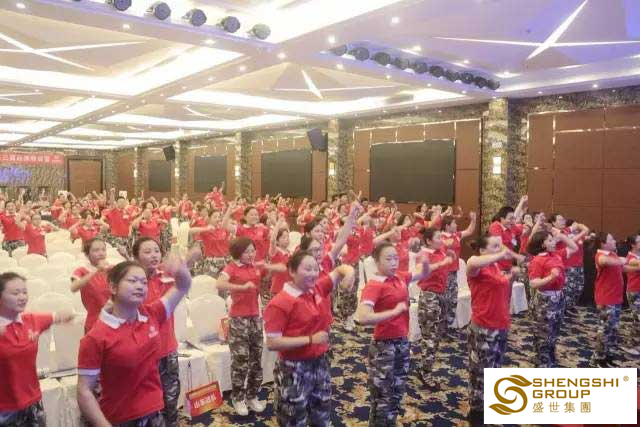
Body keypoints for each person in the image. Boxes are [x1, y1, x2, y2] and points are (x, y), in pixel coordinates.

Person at [76, 257, 192, 426]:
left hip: (154, 412)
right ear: (113, 287)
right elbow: (84, 390)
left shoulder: (151, 314)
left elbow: (182, 286)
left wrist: (180, 270)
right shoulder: (96, 337)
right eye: (132, 281)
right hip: (121, 418)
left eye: (144, 282)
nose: (140, 286)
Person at [264, 250, 355, 427]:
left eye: (315, 269)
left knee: (322, 414)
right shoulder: (280, 303)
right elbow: (272, 343)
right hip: (294, 369)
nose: (313, 273)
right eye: (307, 269)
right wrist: (310, 339)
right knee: (293, 418)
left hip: (319, 363)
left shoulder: (317, 288)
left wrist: (349, 274)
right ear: (292, 271)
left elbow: (340, 270)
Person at [355, 242, 431, 427]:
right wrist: (394, 312)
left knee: (397, 391)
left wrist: (425, 261)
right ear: (376, 261)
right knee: (382, 397)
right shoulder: (374, 285)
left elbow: (423, 274)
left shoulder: (400, 277)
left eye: (396, 258)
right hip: (384, 346)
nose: (394, 262)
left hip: (402, 342)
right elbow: (363, 317)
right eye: (388, 259)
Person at [216, 237, 286, 416]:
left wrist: (267, 266)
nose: (250, 254)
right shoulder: (231, 267)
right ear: (238, 252)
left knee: (256, 358)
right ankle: (238, 398)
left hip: (255, 317)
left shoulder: (255, 266)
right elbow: (219, 284)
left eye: (252, 251)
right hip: (238, 319)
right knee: (240, 361)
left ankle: (252, 395)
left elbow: (282, 268)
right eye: (246, 251)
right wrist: (240, 287)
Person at [132, 237, 196, 427]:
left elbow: (183, 277)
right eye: (147, 252)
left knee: (170, 396)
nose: (154, 255)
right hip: (143, 353)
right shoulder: (132, 282)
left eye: (156, 251)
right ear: (136, 257)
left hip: (167, 348)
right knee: (147, 402)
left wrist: (187, 261)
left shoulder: (166, 275)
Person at [0, 272, 74, 426]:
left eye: (24, 292)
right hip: (4, 410)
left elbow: (60, 315)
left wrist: (66, 316)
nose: (22, 297)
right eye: (15, 293)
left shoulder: (31, 320)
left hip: (33, 401)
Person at [466, 235, 519, 426]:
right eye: (495, 246)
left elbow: (502, 292)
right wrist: (501, 254)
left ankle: (490, 405)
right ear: (482, 250)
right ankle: (476, 410)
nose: (500, 249)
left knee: (495, 368)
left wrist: (511, 277)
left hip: (500, 324)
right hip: (483, 326)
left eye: (500, 246)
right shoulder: (476, 266)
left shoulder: (495, 266)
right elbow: (472, 262)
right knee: (480, 370)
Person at [526, 229, 578, 367]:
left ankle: (549, 357)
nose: (553, 242)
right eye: (550, 240)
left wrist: (561, 236)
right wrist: (551, 277)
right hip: (545, 300)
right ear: (542, 244)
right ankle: (542, 362)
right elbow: (533, 283)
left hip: (558, 298)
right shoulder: (537, 260)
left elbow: (574, 247)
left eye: (552, 239)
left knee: (555, 330)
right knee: (544, 333)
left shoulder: (556, 254)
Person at [415, 228, 453, 389]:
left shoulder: (440, 250)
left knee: (436, 336)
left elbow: (450, 245)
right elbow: (421, 272)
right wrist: (440, 264)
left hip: (441, 295)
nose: (441, 240)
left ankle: (425, 366)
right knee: (430, 336)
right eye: (438, 237)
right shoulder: (423, 254)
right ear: (429, 241)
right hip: (429, 297)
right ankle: (425, 372)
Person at [590, 232, 625, 368]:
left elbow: (623, 268)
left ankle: (606, 355)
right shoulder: (600, 255)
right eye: (612, 239)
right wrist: (621, 260)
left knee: (612, 329)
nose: (615, 241)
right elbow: (604, 261)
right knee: (604, 330)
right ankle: (597, 359)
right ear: (603, 243)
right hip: (606, 299)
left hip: (616, 297)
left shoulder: (613, 255)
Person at [440, 212, 476, 333]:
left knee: (453, 300)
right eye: (454, 223)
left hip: (454, 272)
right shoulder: (440, 237)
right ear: (447, 226)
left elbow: (470, 231)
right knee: (444, 300)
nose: (456, 225)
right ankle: (442, 327)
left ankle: (449, 325)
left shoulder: (456, 235)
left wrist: (473, 220)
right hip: (444, 273)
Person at [70, 238, 110, 334]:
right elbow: (74, 287)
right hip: (94, 322)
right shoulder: (81, 271)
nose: (101, 253)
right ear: (87, 254)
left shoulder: (111, 269)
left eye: (103, 250)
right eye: (96, 250)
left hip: (115, 320)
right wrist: (96, 270)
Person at [622, 234, 640, 356]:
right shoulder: (631, 258)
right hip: (634, 291)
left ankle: (636, 342)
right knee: (638, 319)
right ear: (633, 245)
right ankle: (629, 344)